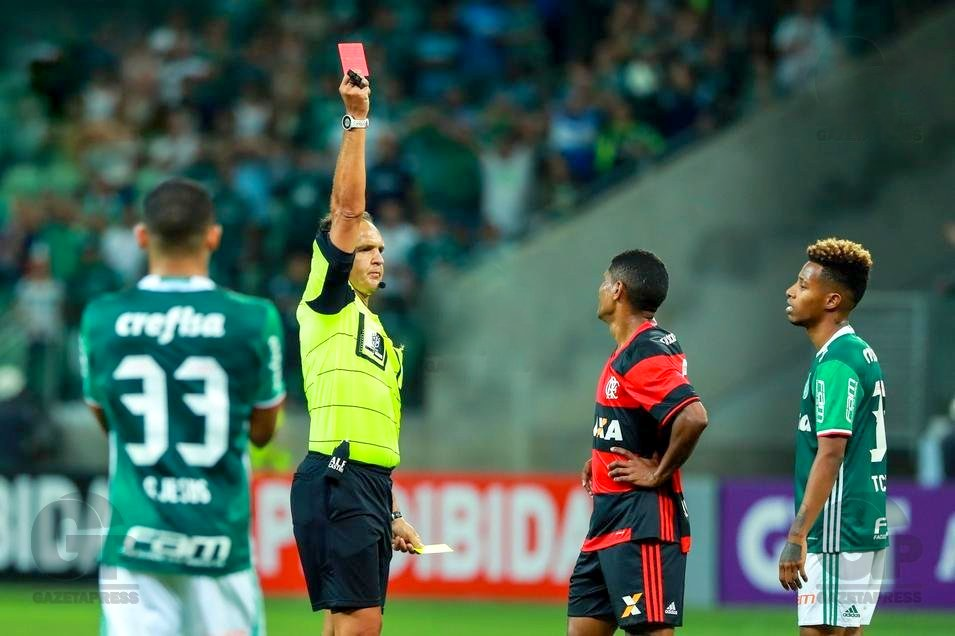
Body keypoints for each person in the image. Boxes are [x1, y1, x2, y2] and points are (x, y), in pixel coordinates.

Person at [79, 178, 286, 635]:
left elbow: (110, 421)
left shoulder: (103, 317)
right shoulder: (253, 318)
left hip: (135, 540)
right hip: (217, 540)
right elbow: (263, 431)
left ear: (141, 236)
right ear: (213, 236)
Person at [289, 71, 423, 636]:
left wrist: (391, 513)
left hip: (366, 482)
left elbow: (379, 437)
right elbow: (346, 209)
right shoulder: (328, 302)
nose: (376, 256)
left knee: (351, 619)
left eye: (381, 249)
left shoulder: (385, 342)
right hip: (337, 476)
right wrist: (357, 120)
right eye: (365, 247)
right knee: (362, 619)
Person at [568, 249, 709, 636]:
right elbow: (638, 415)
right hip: (608, 523)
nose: (598, 289)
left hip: (640, 522)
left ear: (617, 290)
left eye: (603, 281)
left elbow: (693, 416)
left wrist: (658, 471)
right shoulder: (637, 346)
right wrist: (598, 454)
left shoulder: (645, 349)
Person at [778, 238, 888, 634]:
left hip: (838, 531)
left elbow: (830, 453)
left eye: (804, 285)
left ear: (832, 301)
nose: (791, 291)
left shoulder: (837, 363)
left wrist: (797, 533)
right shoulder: (858, 352)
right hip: (861, 525)